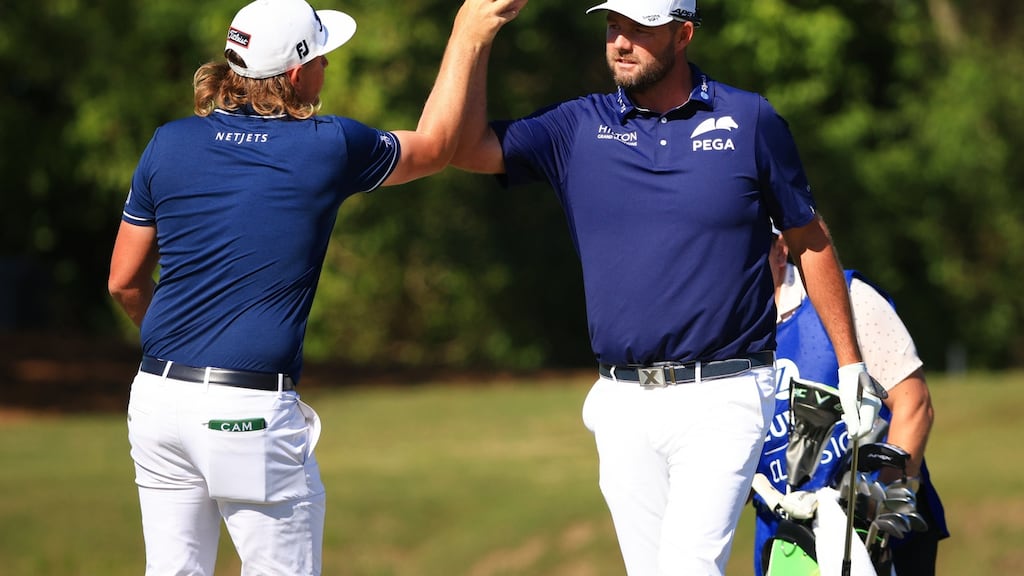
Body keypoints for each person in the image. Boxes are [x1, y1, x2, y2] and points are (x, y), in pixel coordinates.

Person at [449, 0, 883, 573]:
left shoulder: (751, 119)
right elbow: (461, 146)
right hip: (622, 402)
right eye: (612, 27)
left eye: (638, 30)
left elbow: (809, 238)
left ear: (683, 34)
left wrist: (850, 364)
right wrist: (471, 34)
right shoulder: (576, 126)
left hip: (725, 392)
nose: (619, 43)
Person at [106, 0, 525, 574]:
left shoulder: (168, 142)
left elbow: (124, 283)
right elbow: (438, 145)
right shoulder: (327, 145)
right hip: (247, 410)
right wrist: (468, 30)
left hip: (156, 401)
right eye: (323, 56)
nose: (327, 66)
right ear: (298, 73)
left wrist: (183, 354)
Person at [752, 231, 949, 575]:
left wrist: (877, 507)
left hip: (872, 534)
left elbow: (913, 404)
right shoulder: (724, 335)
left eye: (747, 246)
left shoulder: (850, 297)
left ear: (780, 250)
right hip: (781, 536)